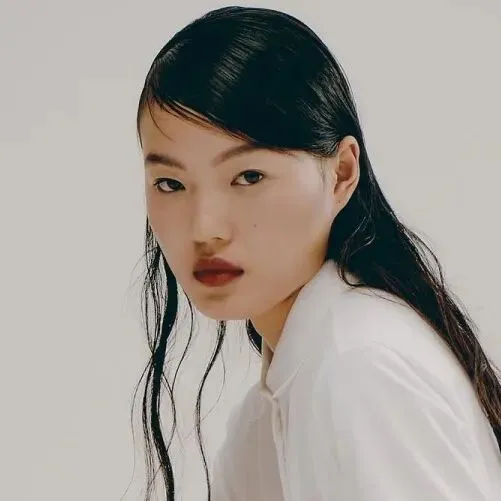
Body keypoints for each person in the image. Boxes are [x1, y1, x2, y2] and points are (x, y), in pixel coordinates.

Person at [133, 5, 501, 501]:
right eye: (170, 183)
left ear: (342, 173)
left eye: (248, 176)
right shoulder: (268, 417)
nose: (205, 228)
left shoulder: (359, 368)